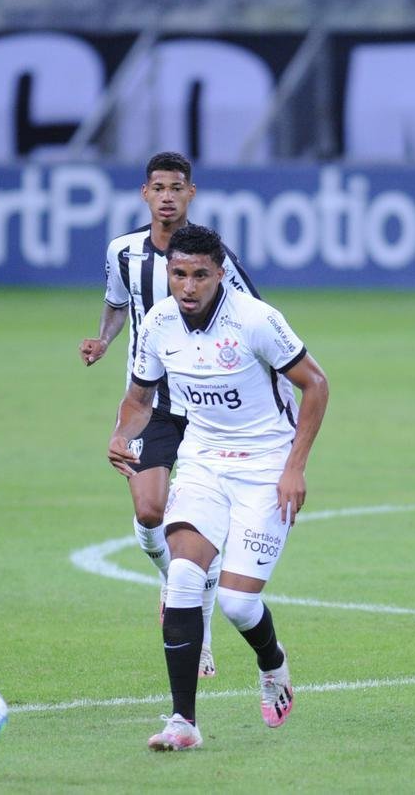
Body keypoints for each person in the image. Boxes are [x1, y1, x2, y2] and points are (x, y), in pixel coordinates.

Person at [108, 224, 329, 752]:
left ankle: (272, 662)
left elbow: (315, 384)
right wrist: (120, 434)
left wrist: (295, 467)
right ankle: (182, 722)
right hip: (203, 462)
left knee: (235, 603)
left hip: (265, 469)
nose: (188, 286)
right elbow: (140, 399)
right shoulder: (158, 323)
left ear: (221, 273)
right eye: (179, 274)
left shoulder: (256, 320)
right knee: (183, 578)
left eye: (200, 275)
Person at [80, 152, 258, 679]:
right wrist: (105, 341)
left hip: (206, 402)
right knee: (151, 514)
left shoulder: (210, 257)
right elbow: (117, 302)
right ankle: (177, 578)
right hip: (152, 403)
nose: (166, 197)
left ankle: (191, 608)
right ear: (144, 194)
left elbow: (252, 315)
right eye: (158, 187)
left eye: (176, 188)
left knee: (195, 525)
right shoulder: (124, 253)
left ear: (190, 194)